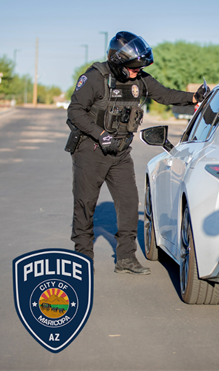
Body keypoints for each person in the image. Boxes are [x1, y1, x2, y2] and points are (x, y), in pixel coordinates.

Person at [66, 31, 208, 274]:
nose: (137, 71)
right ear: (118, 63)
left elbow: (165, 94)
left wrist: (194, 97)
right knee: (85, 205)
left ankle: (126, 259)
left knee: (130, 204)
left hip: (120, 152)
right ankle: (82, 259)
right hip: (91, 151)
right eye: (133, 68)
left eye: (139, 67)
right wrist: (101, 135)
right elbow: (75, 112)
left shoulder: (140, 79)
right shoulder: (94, 77)